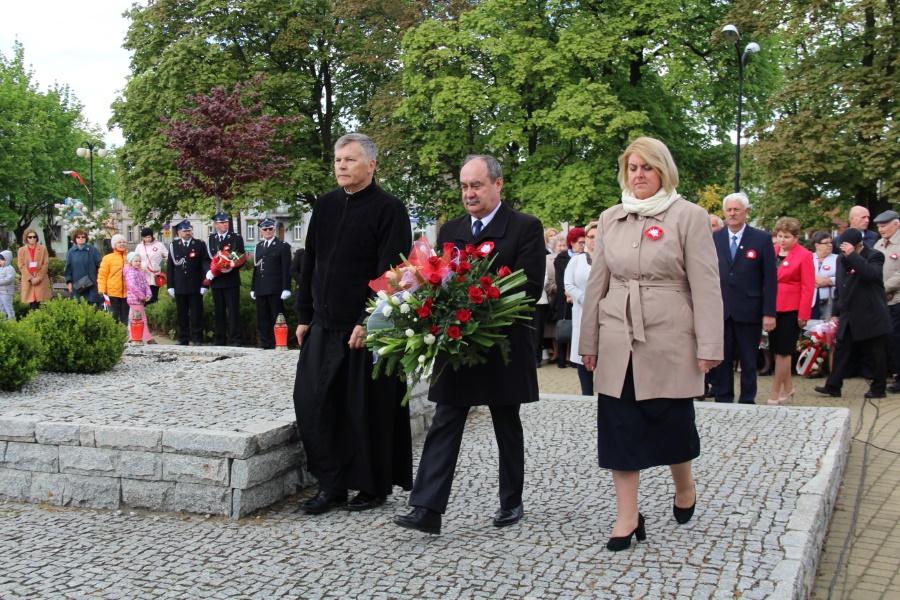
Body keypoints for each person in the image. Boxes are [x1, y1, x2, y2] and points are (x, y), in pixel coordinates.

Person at [579, 137, 723, 552]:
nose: (638, 175)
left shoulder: (689, 216)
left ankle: (684, 483)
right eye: (632, 168)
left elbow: (706, 285)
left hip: (670, 336)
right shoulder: (610, 218)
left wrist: (709, 344)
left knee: (673, 424)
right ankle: (627, 516)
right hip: (617, 337)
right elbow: (598, 282)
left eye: (647, 168)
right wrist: (589, 341)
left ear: (664, 171)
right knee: (619, 428)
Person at [394, 154, 545, 535]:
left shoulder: (525, 227)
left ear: (498, 184)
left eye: (476, 185)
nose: (469, 193)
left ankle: (511, 501)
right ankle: (427, 508)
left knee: (505, 421)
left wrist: (476, 301)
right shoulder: (452, 229)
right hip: (457, 343)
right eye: (464, 186)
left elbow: (528, 288)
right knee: (445, 419)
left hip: (501, 343)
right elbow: (436, 279)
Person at [293, 133, 413, 514]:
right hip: (324, 324)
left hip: (364, 328)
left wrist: (369, 320)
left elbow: (392, 272)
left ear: (371, 165)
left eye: (349, 160)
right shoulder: (325, 206)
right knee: (312, 401)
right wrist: (303, 314)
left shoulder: (389, 209)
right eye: (338, 160)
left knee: (365, 410)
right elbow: (309, 262)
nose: (341, 166)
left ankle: (372, 486)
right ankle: (331, 484)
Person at [712, 192, 777, 404]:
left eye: (736, 210)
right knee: (722, 359)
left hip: (749, 310)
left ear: (746, 212)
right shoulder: (715, 238)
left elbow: (770, 278)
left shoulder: (761, 238)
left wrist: (769, 312)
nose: (732, 214)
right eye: (729, 210)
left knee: (749, 360)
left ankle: (748, 399)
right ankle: (723, 397)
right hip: (721, 310)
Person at [815, 228, 890, 399]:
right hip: (849, 313)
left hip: (871, 314)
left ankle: (879, 388)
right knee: (842, 349)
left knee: (876, 353)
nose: (844, 252)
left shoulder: (874, 256)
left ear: (858, 246)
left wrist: (853, 256)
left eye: (848, 249)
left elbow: (869, 274)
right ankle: (833, 385)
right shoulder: (842, 259)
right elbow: (840, 286)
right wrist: (836, 312)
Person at [766, 217, 815, 405]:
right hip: (773, 307)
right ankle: (788, 387)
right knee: (775, 349)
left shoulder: (804, 255)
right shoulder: (772, 252)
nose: (782, 240)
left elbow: (808, 286)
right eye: (779, 236)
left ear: (796, 237)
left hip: (792, 309)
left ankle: (775, 390)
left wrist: (804, 314)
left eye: (786, 236)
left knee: (783, 352)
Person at [565, 221, 598, 395]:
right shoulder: (576, 261)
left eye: (598, 237)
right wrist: (583, 298)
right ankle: (587, 393)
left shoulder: (609, 259)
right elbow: (568, 284)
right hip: (582, 310)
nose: (594, 240)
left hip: (606, 312)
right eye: (591, 237)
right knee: (582, 353)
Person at [250, 218, 291, 349]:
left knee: (277, 317)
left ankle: (280, 342)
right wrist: (253, 287)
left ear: (274, 230)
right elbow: (256, 269)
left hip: (275, 288)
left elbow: (286, 268)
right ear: (261, 231)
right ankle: (265, 343)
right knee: (262, 318)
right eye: (265, 229)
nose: (268, 231)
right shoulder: (259, 247)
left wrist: (286, 288)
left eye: (270, 229)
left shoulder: (282, 246)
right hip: (261, 288)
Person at [167, 221, 210, 345]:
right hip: (180, 285)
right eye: (185, 231)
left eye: (189, 230)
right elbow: (170, 267)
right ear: (179, 232)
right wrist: (170, 285)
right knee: (182, 314)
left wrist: (204, 284)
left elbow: (204, 265)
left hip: (195, 285)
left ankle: (197, 338)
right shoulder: (174, 246)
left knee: (196, 313)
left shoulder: (199, 245)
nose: (188, 233)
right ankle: (183, 338)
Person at [206, 213, 245, 346]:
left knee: (233, 311)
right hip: (217, 280)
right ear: (216, 225)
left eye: (226, 222)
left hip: (231, 279)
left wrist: (233, 265)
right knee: (219, 311)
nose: (224, 224)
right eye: (221, 223)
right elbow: (209, 258)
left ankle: (236, 339)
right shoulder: (211, 239)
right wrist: (211, 271)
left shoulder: (235, 238)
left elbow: (241, 255)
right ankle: (220, 338)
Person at [872, 210, 900, 392]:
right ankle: (893, 373)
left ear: (896, 224)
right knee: (887, 339)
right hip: (882, 301)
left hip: (897, 299)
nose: (880, 230)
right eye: (879, 226)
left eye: (884, 226)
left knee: (896, 338)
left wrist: (885, 288)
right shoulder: (879, 244)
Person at [552, 227, 585, 368]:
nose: (582, 245)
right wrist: (568, 293)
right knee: (564, 327)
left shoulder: (586, 257)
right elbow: (560, 279)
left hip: (580, 298)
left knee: (577, 329)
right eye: (580, 242)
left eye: (584, 242)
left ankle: (574, 360)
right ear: (572, 242)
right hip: (564, 299)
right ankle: (561, 360)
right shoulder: (562, 257)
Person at [64, 229, 102, 307]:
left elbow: (100, 266)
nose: (81, 238)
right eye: (78, 237)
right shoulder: (71, 252)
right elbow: (68, 269)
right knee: (79, 309)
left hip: (92, 284)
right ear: (75, 239)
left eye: (83, 237)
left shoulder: (93, 250)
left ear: (86, 238)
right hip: (77, 285)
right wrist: (69, 282)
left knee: (93, 309)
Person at [97, 234, 130, 324]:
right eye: (119, 242)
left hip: (128, 293)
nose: (122, 244)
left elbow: (139, 272)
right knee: (113, 316)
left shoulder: (131, 257)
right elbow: (102, 275)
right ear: (114, 245)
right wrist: (102, 290)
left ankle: (126, 336)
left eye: (123, 242)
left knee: (126, 317)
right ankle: (114, 336)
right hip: (112, 293)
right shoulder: (108, 258)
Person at [124, 252, 155, 343]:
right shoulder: (130, 272)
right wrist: (141, 296)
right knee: (142, 318)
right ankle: (148, 338)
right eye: (135, 261)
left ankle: (131, 337)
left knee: (132, 318)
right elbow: (132, 286)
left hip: (140, 299)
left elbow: (146, 284)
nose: (138, 263)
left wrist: (148, 294)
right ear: (130, 262)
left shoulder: (140, 272)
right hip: (135, 299)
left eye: (139, 261)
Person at [17, 229, 50, 311]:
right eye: (30, 237)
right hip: (29, 279)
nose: (32, 239)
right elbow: (21, 265)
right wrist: (30, 278)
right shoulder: (21, 250)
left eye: (34, 237)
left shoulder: (43, 249)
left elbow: (45, 264)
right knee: (31, 301)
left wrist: (38, 278)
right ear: (26, 238)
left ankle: (36, 318)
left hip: (40, 279)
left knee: (37, 301)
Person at [136, 227, 168, 305]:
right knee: (144, 298)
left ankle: (153, 312)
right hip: (143, 275)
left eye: (149, 237)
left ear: (152, 236)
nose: (147, 239)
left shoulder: (159, 245)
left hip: (154, 275)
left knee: (153, 297)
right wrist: (140, 267)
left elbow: (168, 256)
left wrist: (161, 263)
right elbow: (135, 259)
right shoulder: (139, 247)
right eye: (145, 237)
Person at [290, 246, 305, 318]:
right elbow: (293, 270)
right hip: (302, 288)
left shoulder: (320, 252)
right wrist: (303, 280)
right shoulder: (300, 252)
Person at [0, 251, 15, 319]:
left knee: (8, 308)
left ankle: (12, 321)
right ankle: (4, 322)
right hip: (1, 292)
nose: (0, 261)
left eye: (2, 260)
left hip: (7, 292)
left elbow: (9, 280)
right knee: (1, 308)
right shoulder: (1, 268)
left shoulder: (10, 269)